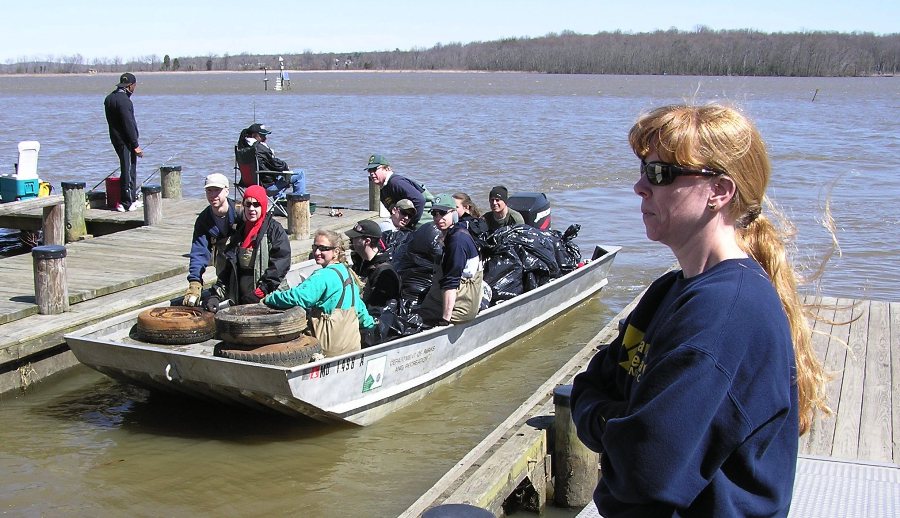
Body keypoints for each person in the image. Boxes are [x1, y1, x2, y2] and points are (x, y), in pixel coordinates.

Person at [570, 104, 829, 517]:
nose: (640, 186)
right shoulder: (668, 293)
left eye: (659, 174)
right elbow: (590, 383)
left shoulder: (726, 315)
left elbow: (643, 467)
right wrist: (621, 421)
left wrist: (606, 421)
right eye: (642, 170)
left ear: (719, 192)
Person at [263, 229, 375, 357]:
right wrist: (371, 324)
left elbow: (300, 297)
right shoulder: (348, 273)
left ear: (336, 251)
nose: (316, 252)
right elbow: (359, 309)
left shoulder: (323, 275)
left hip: (327, 351)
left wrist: (271, 298)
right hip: (352, 348)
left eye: (323, 248)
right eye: (314, 247)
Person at [211, 184, 291, 307]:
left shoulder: (275, 231)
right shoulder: (239, 232)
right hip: (242, 296)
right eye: (247, 204)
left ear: (263, 206)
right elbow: (228, 267)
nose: (251, 209)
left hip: (268, 296)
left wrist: (261, 291)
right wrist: (215, 295)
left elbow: (280, 264)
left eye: (256, 205)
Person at [417, 193, 483, 326]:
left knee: (420, 319)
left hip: (462, 306)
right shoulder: (453, 233)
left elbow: (451, 282)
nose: (438, 218)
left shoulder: (457, 241)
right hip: (458, 296)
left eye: (442, 213)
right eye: (434, 214)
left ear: (454, 213)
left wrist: (445, 320)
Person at [182, 173, 240, 306]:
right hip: (223, 265)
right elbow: (199, 252)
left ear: (226, 191)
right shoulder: (203, 220)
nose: (213, 195)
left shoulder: (241, 212)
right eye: (209, 190)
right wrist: (195, 282)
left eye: (217, 191)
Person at [104, 72, 143, 212]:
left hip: (115, 139)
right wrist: (136, 145)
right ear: (130, 86)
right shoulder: (125, 101)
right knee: (128, 169)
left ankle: (131, 198)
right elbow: (128, 124)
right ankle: (125, 202)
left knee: (128, 167)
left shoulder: (109, 99)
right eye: (134, 86)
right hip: (126, 141)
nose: (135, 88)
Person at [346, 219, 401, 309]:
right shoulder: (361, 262)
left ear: (367, 241)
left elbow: (379, 310)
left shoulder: (385, 274)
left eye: (355, 238)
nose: (351, 241)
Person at [365, 154, 429, 228]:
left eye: (375, 169)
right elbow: (393, 212)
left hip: (423, 221)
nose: (372, 173)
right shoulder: (383, 189)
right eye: (370, 170)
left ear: (387, 169)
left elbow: (420, 200)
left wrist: (409, 226)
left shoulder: (396, 182)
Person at [248, 123, 307, 196]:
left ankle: (280, 202)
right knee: (300, 173)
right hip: (267, 188)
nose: (265, 138)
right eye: (262, 136)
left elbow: (267, 167)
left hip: (253, 185)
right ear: (254, 136)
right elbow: (275, 165)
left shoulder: (244, 149)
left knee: (278, 176)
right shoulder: (260, 149)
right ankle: (298, 203)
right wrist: (286, 167)